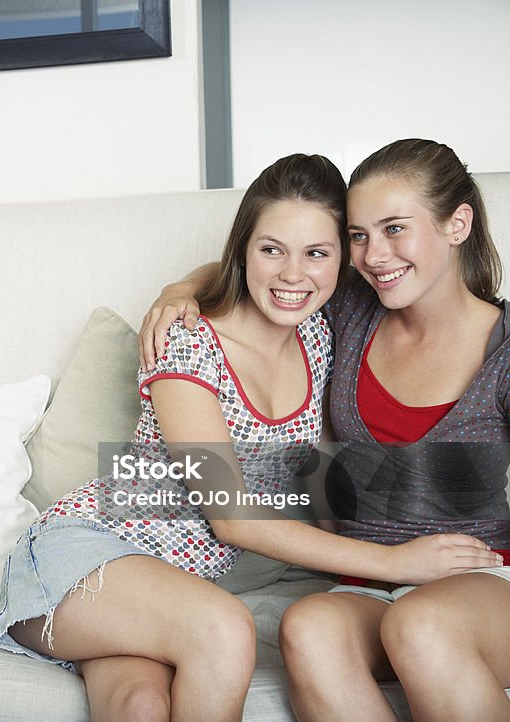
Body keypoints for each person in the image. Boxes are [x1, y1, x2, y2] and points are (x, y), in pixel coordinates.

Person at [0, 153, 498, 722]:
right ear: (244, 251)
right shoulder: (191, 343)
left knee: (139, 704)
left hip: (177, 582)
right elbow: (230, 516)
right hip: (96, 546)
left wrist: (185, 281)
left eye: (318, 253)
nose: (293, 273)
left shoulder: (323, 330)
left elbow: (298, 277)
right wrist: (178, 290)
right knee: (223, 630)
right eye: (270, 249)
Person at [138, 139, 510, 721]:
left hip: (479, 579)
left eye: (393, 229)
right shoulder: (351, 310)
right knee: (308, 624)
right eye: (358, 236)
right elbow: (264, 269)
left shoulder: (503, 351)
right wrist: (179, 292)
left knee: (422, 622)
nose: (374, 255)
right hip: (366, 577)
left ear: (457, 223)